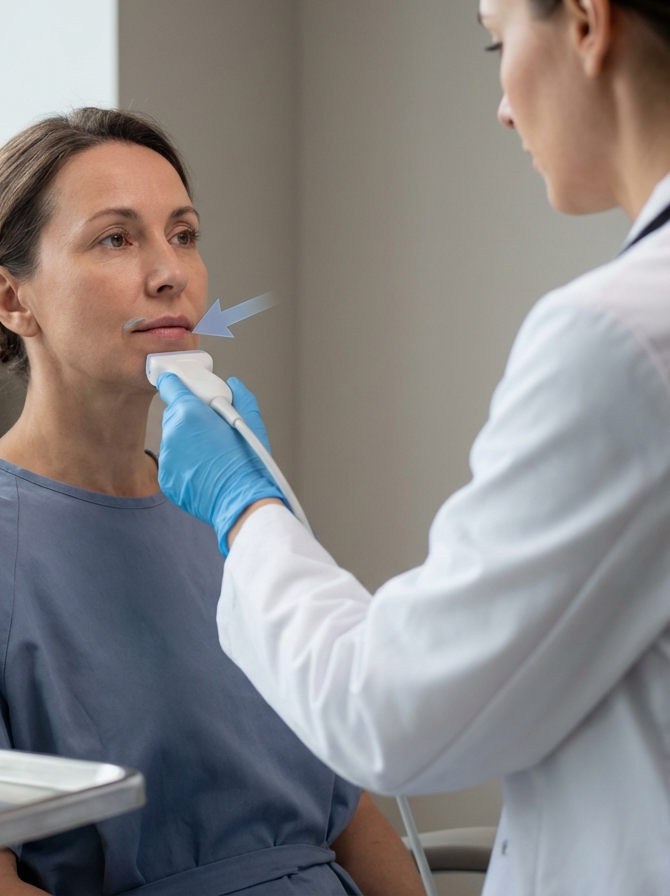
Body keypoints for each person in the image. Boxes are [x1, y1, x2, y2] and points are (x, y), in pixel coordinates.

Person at [153, 1, 670, 894]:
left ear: (588, 22)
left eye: (498, 41)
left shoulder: (620, 339)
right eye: (114, 238)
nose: (502, 106)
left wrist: (247, 507)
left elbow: (389, 713)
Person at [0, 108, 424, 896]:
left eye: (183, 235)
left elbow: (351, 820)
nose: (170, 274)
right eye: (116, 239)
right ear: (12, 299)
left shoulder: (236, 516)